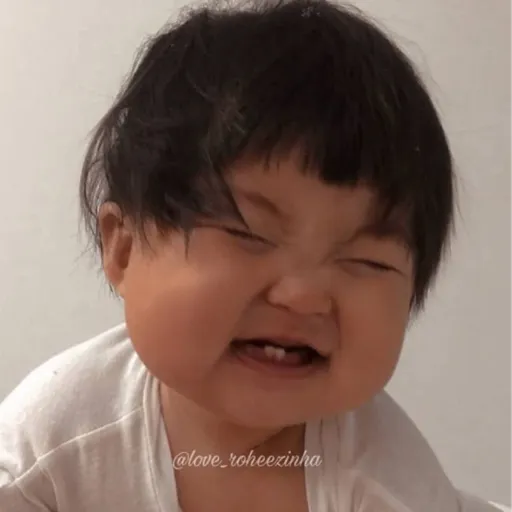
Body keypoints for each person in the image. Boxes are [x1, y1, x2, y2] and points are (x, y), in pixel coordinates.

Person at [0, 0, 500, 510]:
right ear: (124, 249)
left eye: (367, 261)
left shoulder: (391, 486)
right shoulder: (51, 447)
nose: (304, 295)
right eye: (247, 234)